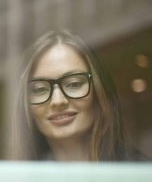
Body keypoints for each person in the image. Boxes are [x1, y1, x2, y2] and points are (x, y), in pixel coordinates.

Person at [12, 30, 137, 161]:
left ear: (99, 92)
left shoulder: (140, 175)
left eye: (74, 84)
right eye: (40, 89)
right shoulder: (16, 179)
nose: (57, 101)